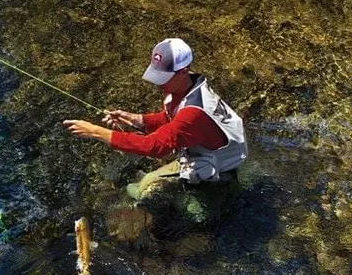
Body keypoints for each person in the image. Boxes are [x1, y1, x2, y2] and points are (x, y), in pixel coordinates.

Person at [63, 38, 248, 186]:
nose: (159, 83)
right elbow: (172, 119)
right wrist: (138, 120)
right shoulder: (187, 87)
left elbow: (155, 146)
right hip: (213, 148)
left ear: (183, 72)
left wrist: (95, 132)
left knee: (142, 187)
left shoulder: (194, 112)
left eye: (164, 78)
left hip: (219, 165)